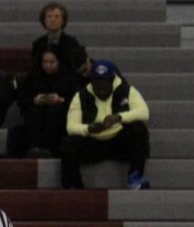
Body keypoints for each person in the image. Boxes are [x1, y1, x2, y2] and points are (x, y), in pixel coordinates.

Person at [61, 59, 151, 190]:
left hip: (119, 143)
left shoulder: (126, 90)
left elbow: (144, 112)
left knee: (138, 128)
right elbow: (71, 127)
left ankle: (135, 177)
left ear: (112, 80)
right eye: (97, 83)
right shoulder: (81, 96)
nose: (101, 87)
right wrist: (88, 129)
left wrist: (119, 117)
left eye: (104, 82)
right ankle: (74, 186)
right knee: (67, 143)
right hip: (94, 143)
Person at [6, 45, 79, 157]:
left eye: (52, 62)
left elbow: (76, 99)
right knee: (34, 111)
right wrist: (34, 100)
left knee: (55, 111)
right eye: (45, 62)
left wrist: (61, 99)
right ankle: (33, 147)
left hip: (60, 113)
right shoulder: (33, 76)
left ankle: (50, 148)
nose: (48, 66)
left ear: (59, 61)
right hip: (37, 113)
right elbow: (23, 98)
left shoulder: (68, 78)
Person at [31, 2, 87, 76]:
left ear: (63, 20)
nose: (53, 19)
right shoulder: (37, 44)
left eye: (57, 16)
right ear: (44, 20)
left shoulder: (72, 43)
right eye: (49, 16)